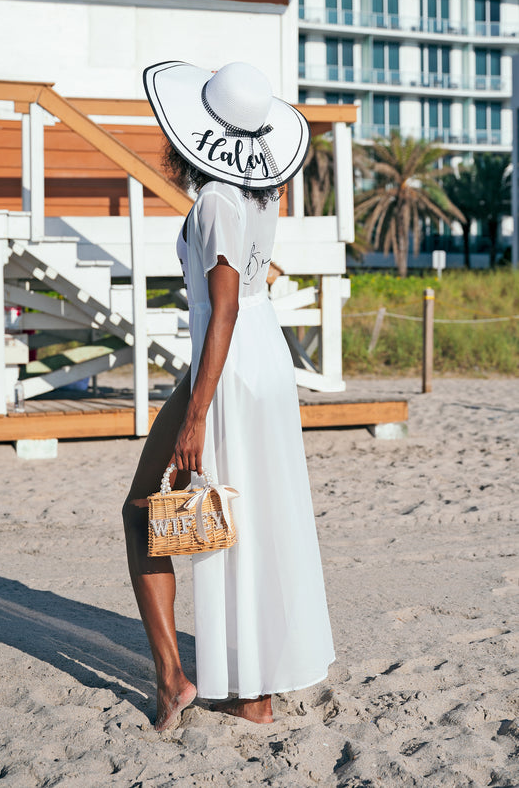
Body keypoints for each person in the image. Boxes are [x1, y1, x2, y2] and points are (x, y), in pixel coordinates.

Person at [122, 60, 335, 731]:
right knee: (251, 522)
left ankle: (177, 682)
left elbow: (224, 306)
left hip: (229, 366)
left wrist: (198, 412)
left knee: (144, 510)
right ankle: (252, 691)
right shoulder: (261, 193)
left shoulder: (215, 199)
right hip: (263, 362)